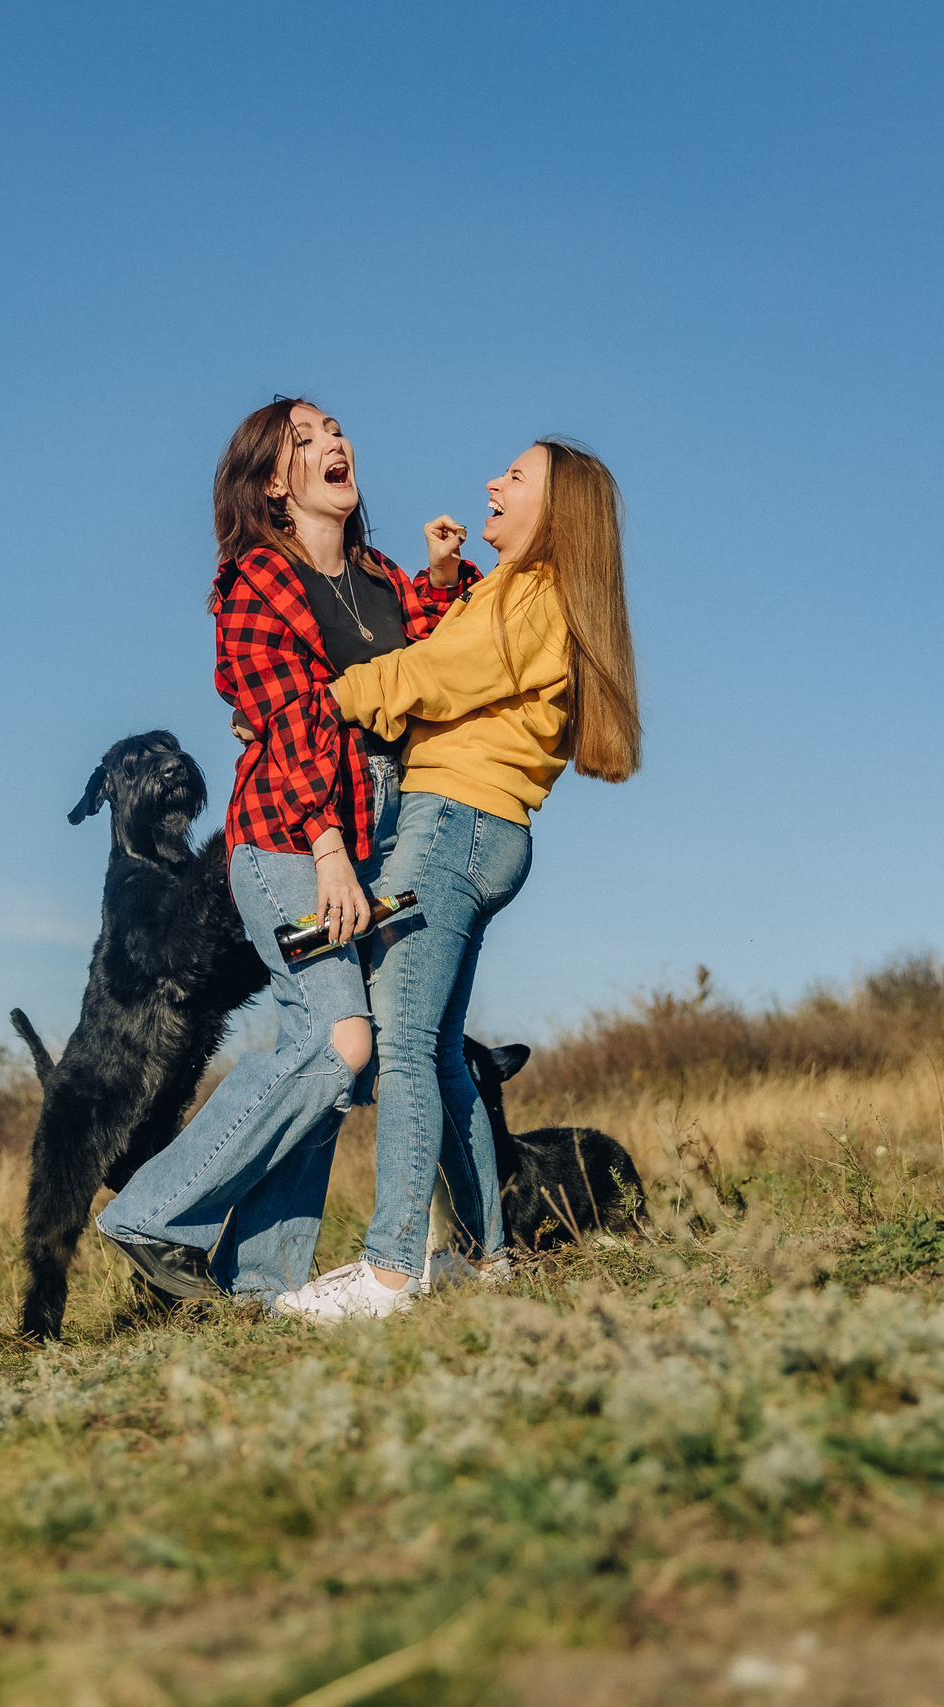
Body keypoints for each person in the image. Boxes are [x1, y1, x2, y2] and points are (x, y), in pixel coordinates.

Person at [93, 398, 476, 1301]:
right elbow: (287, 717)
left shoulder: (379, 575)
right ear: (273, 481)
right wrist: (330, 842)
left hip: (375, 828)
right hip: (290, 836)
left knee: (341, 1058)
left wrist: (444, 573)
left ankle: (256, 1281)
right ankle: (150, 1210)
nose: (333, 442)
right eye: (305, 439)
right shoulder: (258, 583)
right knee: (338, 1039)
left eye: (336, 429)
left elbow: (417, 656)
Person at [274, 437, 642, 1320]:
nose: (492, 482)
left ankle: (391, 1270)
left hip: (451, 824)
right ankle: (485, 1260)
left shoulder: (534, 594)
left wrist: (325, 700)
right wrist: (445, 574)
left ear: (555, 514)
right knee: (440, 1056)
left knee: (399, 1042)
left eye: (514, 477)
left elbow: (438, 675)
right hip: (482, 827)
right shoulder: (514, 593)